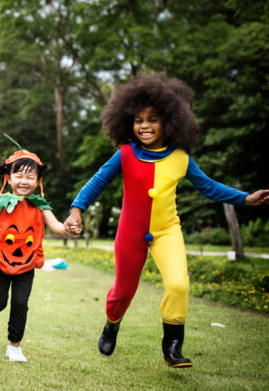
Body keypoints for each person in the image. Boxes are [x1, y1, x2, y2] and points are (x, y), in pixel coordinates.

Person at [63, 73, 269, 368]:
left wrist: (246, 198)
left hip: (167, 230)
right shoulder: (124, 153)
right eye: (138, 120)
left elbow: (209, 187)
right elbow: (96, 182)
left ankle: (172, 345)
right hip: (130, 232)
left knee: (178, 284)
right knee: (123, 291)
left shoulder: (181, 157)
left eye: (153, 119)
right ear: (128, 123)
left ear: (170, 122)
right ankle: (112, 324)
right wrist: (76, 209)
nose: (144, 125)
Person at [0, 149, 75, 363]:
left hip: (26, 265)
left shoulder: (40, 206)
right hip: (0, 263)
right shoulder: (0, 201)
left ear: (38, 180)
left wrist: (68, 228)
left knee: (20, 304)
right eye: (19, 175)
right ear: (8, 178)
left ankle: (14, 346)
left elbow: (57, 226)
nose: (24, 181)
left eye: (30, 177)